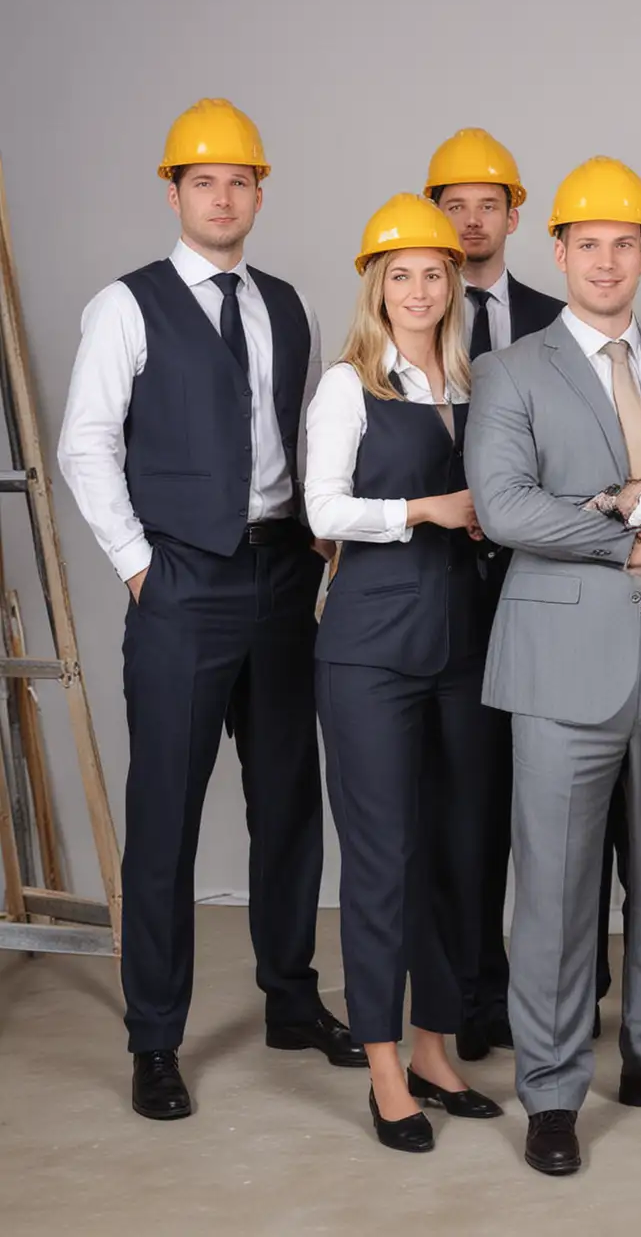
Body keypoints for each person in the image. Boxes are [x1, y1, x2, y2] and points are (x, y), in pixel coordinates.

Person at [57, 98, 358, 1122]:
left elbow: (315, 434)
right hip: (182, 581)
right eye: (203, 182)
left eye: (238, 182)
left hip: (281, 576)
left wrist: (321, 541)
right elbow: (85, 444)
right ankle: (154, 1039)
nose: (222, 197)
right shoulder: (127, 306)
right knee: (166, 816)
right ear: (175, 192)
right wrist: (141, 566)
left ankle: (289, 999)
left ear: (260, 194)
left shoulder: (291, 302)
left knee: (287, 802)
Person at [466, 157, 641, 1176]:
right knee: (555, 884)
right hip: (559, 663)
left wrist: (629, 519)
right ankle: (550, 1091)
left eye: (622, 243)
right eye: (586, 244)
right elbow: (505, 508)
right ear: (558, 253)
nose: (604, 260)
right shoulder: (509, 373)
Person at [305, 194, 505, 1152]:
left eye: (435, 274)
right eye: (402, 275)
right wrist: (430, 508)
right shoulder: (349, 385)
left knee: (460, 851)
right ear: (375, 287)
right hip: (370, 648)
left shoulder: (476, 384)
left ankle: (433, 1042)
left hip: (462, 641)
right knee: (383, 859)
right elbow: (322, 513)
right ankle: (382, 1061)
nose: (421, 290)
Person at [423, 126, 566, 1062]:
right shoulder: (407, 314)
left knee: (553, 798)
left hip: (549, 578)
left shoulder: (562, 319)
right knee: (464, 800)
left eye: (490, 205)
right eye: (454, 206)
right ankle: (466, 990)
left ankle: (551, 986)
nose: (473, 222)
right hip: (445, 587)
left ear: (518, 216)